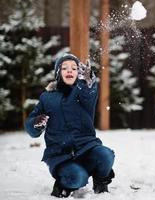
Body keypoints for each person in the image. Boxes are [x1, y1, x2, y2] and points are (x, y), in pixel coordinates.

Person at [24, 53, 115, 198]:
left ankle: (100, 181)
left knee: (106, 155)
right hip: (61, 155)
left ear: (78, 73)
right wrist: (36, 123)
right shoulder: (47, 97)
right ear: (58, 73)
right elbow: (31, 128)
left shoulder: (82, 93)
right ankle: (63, 182)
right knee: (77, 178)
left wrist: (89, 82)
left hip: (86, 148)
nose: (69, 70)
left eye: (74, 68)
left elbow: (90, 94)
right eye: (65, 68)